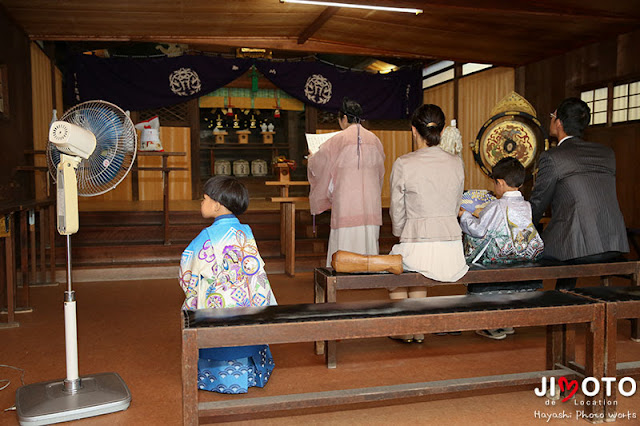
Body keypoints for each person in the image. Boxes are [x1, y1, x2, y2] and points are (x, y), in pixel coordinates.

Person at [179, 176, 277, 394]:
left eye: (203, 199)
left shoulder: (207, 236)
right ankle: (252, 373)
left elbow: (188, 269)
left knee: (203, 296)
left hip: (221, 308)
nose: (201, 203)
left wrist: (192, 291)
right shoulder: (246, 232)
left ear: (216, 204)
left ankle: (218, 376)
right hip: (250, 305)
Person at [387, 104, 468, 343]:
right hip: (452, 249)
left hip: (418, 242)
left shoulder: (404, 163)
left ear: (414, 130)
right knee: (417, 269)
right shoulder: (456, 162)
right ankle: (418, 327)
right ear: (441, 132)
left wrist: (401, 232)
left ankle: (406, 329)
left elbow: (397, 208)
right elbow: (456, 206)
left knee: (396, 272)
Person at [529, 97, 629, 290]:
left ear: (558, 123)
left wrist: (522, 234)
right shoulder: (607, 153)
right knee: (566, 240)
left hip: (577, 247)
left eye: (552, 116)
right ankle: (565, 297)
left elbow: (538, 202)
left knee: (530, 256)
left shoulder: (553, 157)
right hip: (612, 241)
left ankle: (548, 306)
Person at [459, 157, 544, 339]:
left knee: (476, 243)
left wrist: (465, 216)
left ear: (500, 183)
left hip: (496, 260)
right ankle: (508, 322)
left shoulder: (497, 205)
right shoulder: (527, 206)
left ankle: (491, 324)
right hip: (522, 258)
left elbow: (479, 230)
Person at [307, 97, 386, 267]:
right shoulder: (375, 140)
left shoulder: (337, 140)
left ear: (343, 118)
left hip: (346, 203)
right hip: (369, 202)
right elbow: (380, 173)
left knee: (344, 246)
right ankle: (368, 275)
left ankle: (342, 275)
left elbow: (319, 165)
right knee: (368, 244)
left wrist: (312, 157)